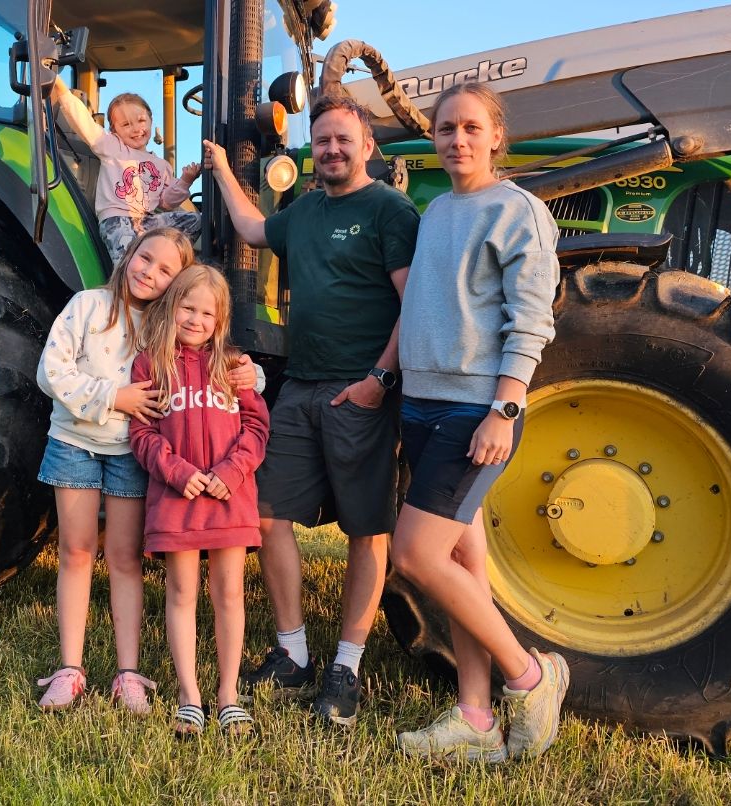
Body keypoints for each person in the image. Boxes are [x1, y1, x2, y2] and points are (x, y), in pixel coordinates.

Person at [203, 95, 420, 726]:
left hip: (361, 389)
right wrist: (223, 170)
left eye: (343, 140)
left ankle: (346, 666)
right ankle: (293, 652)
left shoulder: (390, 210)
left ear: (367, 147)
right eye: (322, 140)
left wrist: (380, 379)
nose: (331, 150)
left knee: (366, 528)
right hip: (300, 385)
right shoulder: (302, 211)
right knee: (267, 514)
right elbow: (251, 230)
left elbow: (413, 304)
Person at [390, 82, 566, 763]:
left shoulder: (519, 211)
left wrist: (505, 408)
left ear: (496, 137)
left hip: (475, 411)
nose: (457, 139)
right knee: (462, 558)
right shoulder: (437, 211)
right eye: (445, 129)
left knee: (415, 555)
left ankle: (530, 677)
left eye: (470, 128)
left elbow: (532, 320)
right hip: (422, 402)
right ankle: (474, 714)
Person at [34, 228, 261, 713]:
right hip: (75, 442)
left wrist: (253, 373)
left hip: (129, 454)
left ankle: (128, 672)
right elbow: (50, 371)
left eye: (165, 270)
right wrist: (114, 397)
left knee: (124, 558)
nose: (149, 272)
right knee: (76, 551)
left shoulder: (163, 327)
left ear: (176, 285)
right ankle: (70, 668)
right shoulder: (88, 306)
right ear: (130, 253)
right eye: (145, 258)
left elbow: (215, 362)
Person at [129, 265, 269, 738]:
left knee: (229, 594)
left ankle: (228, 694)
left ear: (220, 319)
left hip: (229, 497)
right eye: (188, 308)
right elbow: (142, 433)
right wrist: (177, 472)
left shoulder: (233, 365)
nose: (196, 319)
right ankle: (190, 696)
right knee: (181, 593)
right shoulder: (151, 365)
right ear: (172, 307)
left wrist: (231, 472)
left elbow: (256, 427)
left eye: (207, 313)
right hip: (178, 498)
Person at [51, 75, 201, 266]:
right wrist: (62, 89)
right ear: (114, 131)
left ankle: (168, 263)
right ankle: (124, 281)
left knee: (196, 220)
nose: (136, 129)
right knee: (129, 260)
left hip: (146, 222)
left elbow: (166, 203)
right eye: (126, 124)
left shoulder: (162, 165)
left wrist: (186, 180)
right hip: (117, 219)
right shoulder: (112, 147)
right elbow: (84, 124)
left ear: (150, 119)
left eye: (140, 120)